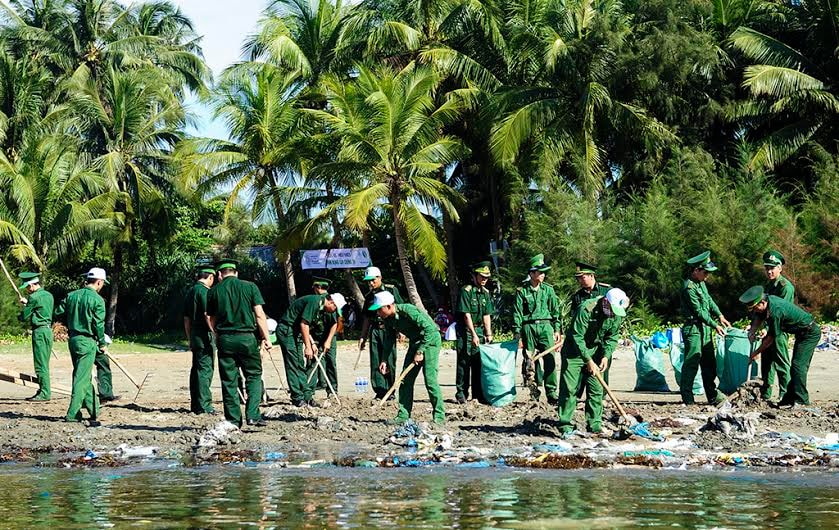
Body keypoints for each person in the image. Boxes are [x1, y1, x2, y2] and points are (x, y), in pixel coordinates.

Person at [206, 259, 271, 427]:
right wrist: (266, 338)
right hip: (247, 338)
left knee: (229, 380)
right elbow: (259, 315)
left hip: (225, 339)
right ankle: (253, 415)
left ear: (219, 275)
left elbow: (211, 319)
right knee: (254, 375)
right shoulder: (250, 287)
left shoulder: (213, 292)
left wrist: (217, 335)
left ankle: (234, 420)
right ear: (236, 272)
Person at [557, 288, 629, 435]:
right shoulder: (586, 309)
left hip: (595, 351)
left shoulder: (617, 312)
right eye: (612, 309)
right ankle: (565, 425)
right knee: (569, 389)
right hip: (574, 352)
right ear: (606, 302)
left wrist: (605, 356)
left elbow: (612, 336)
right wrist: (588, 360)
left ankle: (594, 425)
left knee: (596, 389)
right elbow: (577, 337)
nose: (614, 314)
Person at [368, 291, 445, 424]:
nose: (378, 313)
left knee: (430, 380)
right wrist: (384, 359)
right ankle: (403, 415)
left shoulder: (408, 310)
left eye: (379, 309)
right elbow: (389, 339)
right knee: (404, 380)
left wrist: (421, 352)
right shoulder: (388, 319)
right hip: (415, 342)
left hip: (431, 341)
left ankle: (439, 416)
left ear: (389, 306)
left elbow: (430, 329)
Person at [740, 286, 821, 407]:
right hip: (801, 333)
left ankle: (802, 400)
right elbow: (758, 316)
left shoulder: (775, 310)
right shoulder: (766, 303)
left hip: (809, 333)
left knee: (798, 366)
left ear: (762, 302)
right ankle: (789, 398)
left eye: (755, 308)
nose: (754, 311)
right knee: (797, 367)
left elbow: (770, 339)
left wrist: (755, 353)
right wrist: (752, 330)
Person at [54, 267, 110, 424]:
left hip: (73, 340)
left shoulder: (72, 295)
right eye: (103, 283)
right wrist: (102, 343)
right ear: (99, 282)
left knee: (82, 375)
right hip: (88, 341)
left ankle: (94, 410)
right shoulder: (98, 300)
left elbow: (58, 311)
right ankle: (73, 413)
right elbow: (99, 325)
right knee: (81, 378)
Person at [679, 251, 731, 405]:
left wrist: (719, 315)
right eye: (705, 272)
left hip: (705, 329)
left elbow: (708, 300)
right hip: (693, 328)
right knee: (692, 363)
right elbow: (699, 312)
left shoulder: (701, 283)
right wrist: (715, 325)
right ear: (696, 270)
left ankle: (713, 396)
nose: (707, 276)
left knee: (709, 364)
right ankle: (687, 398)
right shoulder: (689, 287)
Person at [276, 292, 346, 407]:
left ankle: (307, 396)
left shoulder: (322, 305)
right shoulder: (315, 302)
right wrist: (308, 346)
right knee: (293, 364)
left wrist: (313, 343)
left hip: (296, 331)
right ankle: (297, 397)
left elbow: (305, 324)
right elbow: (304, 324)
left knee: (300, 364)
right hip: (287, 330)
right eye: (335, 308)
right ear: (331, 302)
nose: (334, 311)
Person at [513, 254, 562, 404]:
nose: (542, 275)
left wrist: (557, 329)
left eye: (543, 272)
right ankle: (533, 391)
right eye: (539, 272)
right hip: (529, 327)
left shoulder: (549, 290)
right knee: (530, 360)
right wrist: (518, 334)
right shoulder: (522, 291)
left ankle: (552, 392)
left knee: (550, 360)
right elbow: (517, 313)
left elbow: (556, 312)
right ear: (531, 273)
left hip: (546, 327)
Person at [750, 250, 795, 401]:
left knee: (782, 364)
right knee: (767, 364)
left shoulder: (785, 287)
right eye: (767, 268)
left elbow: (781, 314)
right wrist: (754, 328)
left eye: (772, 268)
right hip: (767, 331)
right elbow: (761, 310)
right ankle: (765, 394)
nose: (769, 271)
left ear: (780, 268)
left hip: (779, 330)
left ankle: (785, 395)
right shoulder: (768, 286)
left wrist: (766, 329)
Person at [358, 266, 404, 400]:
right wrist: (363, 336)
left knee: (389, 359)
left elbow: (399, 310)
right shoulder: (369, 296)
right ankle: (379, 390)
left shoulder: (391, 290)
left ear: (380, 278)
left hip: (389, 328)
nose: (371, 283)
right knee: (376, 360)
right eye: (368, 281)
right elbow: (367, 317)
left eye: (373, 280)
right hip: (375, 330)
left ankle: (390, 390)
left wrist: (401, 330)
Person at [454, 261, 495, 404]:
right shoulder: (466, 291)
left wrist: (488, 333)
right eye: (482, 276)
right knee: (464, 362)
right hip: (466, 330)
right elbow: (466, 315)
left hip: (479, 330)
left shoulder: (485, 293)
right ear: (475, 276)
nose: (484, 279)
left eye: (486, 277)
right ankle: (461, 393)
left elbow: (486, 315)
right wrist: (474, 334)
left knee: (478, 363)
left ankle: (478, 394)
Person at [183, 264, 216, 414]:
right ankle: (205, 406)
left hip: (195, 335)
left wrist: (189, 338)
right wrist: (214, 332)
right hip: (204, 335)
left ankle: (196, 404)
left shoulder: (190, 291)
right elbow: (207, 315)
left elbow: (186, 319)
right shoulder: (204, 292)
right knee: (205, 370)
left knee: (196, 369)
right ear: (210, 277)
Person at [17, 271, 54, 401]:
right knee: (44, 363)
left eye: (27, 287)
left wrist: (23, 308)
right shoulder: (48, 295)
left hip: (39, 332)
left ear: (32, 285)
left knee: (40, 364)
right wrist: (28, 303)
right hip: (48, 332)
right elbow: (40, 309)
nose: (27, 290)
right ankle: (43, 389)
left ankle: (45, 392)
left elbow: (24, 317)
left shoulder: (34, 297)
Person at [310, 276, 339, 394]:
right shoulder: (315, 300)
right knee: (314, 360)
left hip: (329, 336)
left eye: (315, 287)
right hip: (316, 335)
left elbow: (335, 323)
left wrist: (328, 341)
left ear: (318, 287)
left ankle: (332, 389)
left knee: (329, 361)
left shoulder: (332, 301)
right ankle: (313, 387)